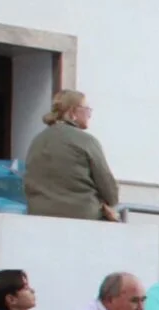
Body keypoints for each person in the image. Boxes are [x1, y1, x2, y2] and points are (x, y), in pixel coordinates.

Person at [20, 90, 120, 220]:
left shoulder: (37, 141)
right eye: (87, 109)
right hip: (83, 217)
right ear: (73, 112)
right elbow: (110, 192)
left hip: (38, 216)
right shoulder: (87, 141)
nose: (89, 115)